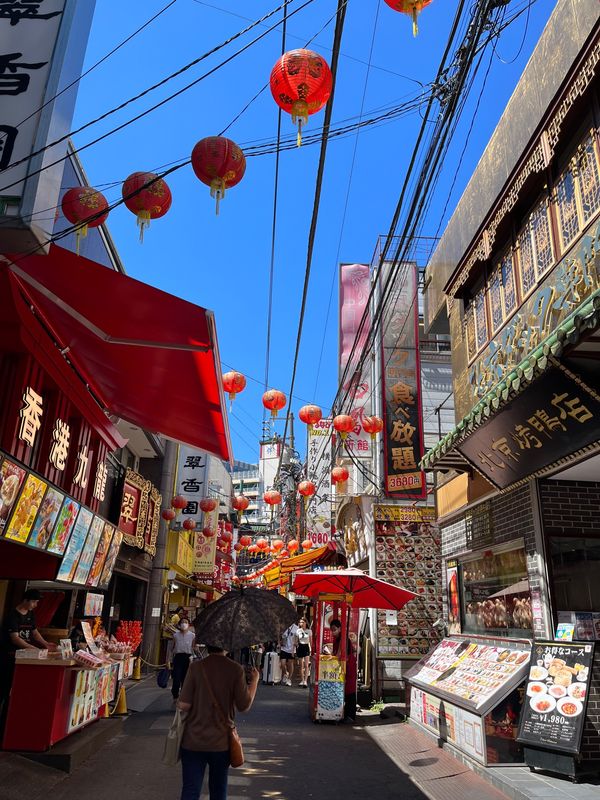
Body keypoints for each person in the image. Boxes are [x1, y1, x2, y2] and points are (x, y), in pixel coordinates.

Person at [177, 645, 259, 800]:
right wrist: (254, 681)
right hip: (221, 743)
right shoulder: (235, 669)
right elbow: (244, 706)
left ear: (207, 645)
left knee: (190, 790)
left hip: (193, 740)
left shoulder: (196, 667)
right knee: (218, 790)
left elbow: (184, 705)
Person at [0, 589, 56, 722]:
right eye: (34, 601)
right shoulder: (12, 616)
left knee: (16, 691)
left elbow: (35, 632)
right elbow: (15, 638)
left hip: (24, 658)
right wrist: (34, 649)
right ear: (25, 600)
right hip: (9, 658)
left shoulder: (30, 614)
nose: (35, 604)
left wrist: (45, 644)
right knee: (4, 688)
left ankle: (8, 720)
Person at [168, 618, 196, 701]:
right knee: (176, 677)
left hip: (188, 658)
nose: (184, 624)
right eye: (182, 622)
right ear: (179, 625)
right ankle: (175, 695)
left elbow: (193, 648)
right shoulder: (176, 635)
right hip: (178, 657)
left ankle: (184, 695)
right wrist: (168, 660)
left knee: (185, 678)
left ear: (189, 625)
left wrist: (194, 655)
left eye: (186, 622)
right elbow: (171, 648)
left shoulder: (192, 635)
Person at [279, 621, 298, 686]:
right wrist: (279, 643)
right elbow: (279, 636)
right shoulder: (283, 626)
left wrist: (293, 651)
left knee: (290, 664)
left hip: (291, 649)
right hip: (284, 648)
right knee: (282, 664)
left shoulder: (296, 628)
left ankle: (289, 679)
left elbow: (296, 640)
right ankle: (285, 673)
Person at [296, 618, 311, 687]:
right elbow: (296, 641)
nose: (301, 623)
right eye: (300, 622)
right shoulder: (298, 631)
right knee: (300, 665)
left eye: (302, 622)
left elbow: (310, 641)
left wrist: (311, 649)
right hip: (300, 647)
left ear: (305, 623)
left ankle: (305, 681)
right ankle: (302, 680)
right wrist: (295, 646)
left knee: (306, 665)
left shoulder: (309, 631)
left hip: (306, 647)